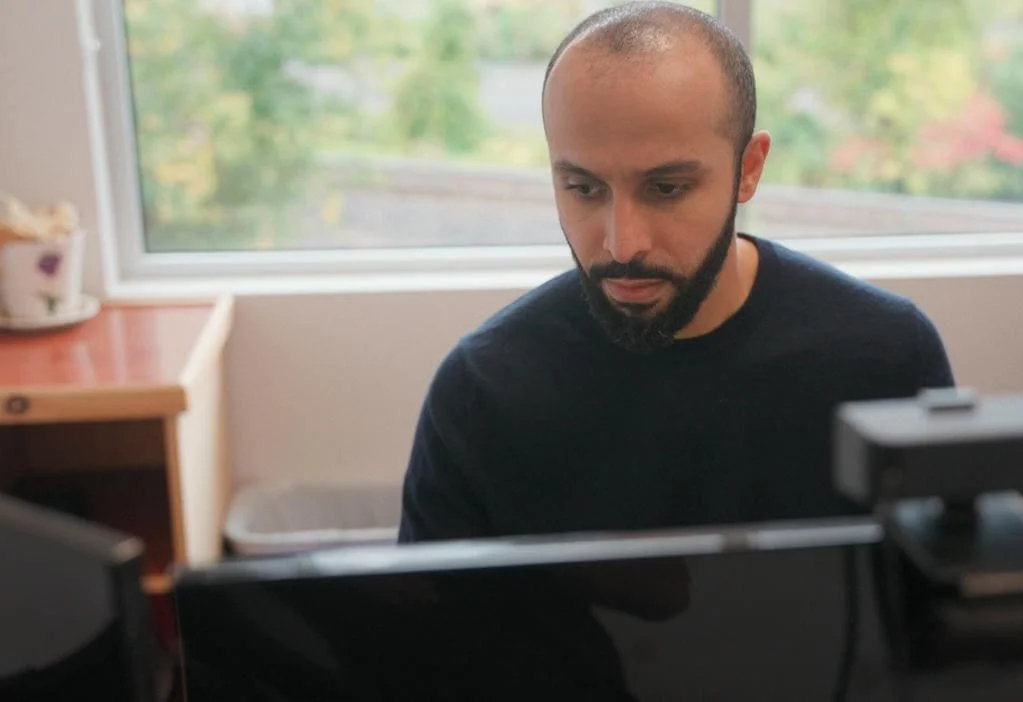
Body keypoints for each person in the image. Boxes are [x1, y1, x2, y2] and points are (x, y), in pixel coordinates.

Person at [398, 1, 954, 545]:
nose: (622, 244)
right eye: (584, 188)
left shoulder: (884, 358)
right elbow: (421, 635)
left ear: (748, 170)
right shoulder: (483, 392)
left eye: (666, 189)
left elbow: (946, 617)